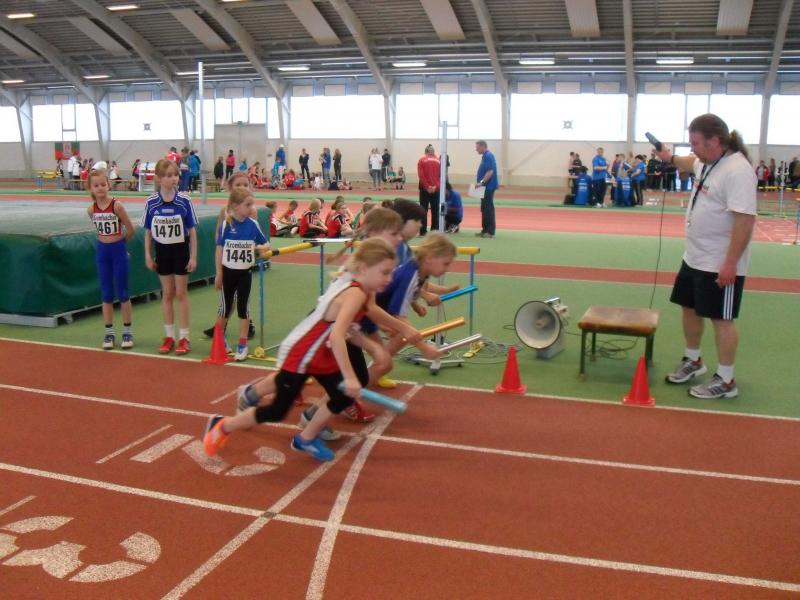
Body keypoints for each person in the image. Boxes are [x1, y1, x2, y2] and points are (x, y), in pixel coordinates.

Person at [203, 238, 399, 462]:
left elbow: (349, 332)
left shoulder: (361, 292)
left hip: (319, 355)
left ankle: (305, 438)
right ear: (364, 269)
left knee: (343, 396)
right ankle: (223, 425)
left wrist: (373, 348)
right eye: (385, 272)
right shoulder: (356, 294)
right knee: (277, 411)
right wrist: (350, 376)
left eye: (391, 273)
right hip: (302, 354)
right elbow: (336, 336)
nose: (389, 279)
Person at [657, 113, 757, 399]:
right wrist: (669, 157)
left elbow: (745, 221)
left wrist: (730, 263)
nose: (693, 149)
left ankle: (726, 380)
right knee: (688, 307)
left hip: (720, 261)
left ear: (715, 141)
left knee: (721, 319)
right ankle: (694, 360)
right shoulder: (707, 161)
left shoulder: (737, 170)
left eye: (696, 143)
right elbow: (689, 162)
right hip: (694, 257)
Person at [141, 159, 198, 355]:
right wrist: (148, 255)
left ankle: (184, 337)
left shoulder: (184, 201)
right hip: (162, 251)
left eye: (175, 175)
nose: (173, 178)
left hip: (180, 250)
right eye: (168, 175)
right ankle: (169, 336)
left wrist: (193, 256)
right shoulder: (151, 202)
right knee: (167, 294)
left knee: (181, 293)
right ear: (158, 178)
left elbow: (192, 231)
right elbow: (148, 232)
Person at [214, 188, 270, 361]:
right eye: (248, 205)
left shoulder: (252, 225)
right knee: (224, 308)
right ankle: (219, 339)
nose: (251, 208)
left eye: (252, 204)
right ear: (236, 206)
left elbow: (266, 243)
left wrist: (260, 248)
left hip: (245, 273)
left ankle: (242, 343)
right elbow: (219, 250)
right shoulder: (226, 225)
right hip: (228, 273)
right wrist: (219, 273)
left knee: (243, 308)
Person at [86, 169, 136, 350]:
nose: (100, 188)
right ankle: (109, 332)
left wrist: (121, 246)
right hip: (102, 252)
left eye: (103, 184)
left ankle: (127, 330)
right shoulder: (91, 210)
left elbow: (131, 229)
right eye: (96, 185)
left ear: (108, 185)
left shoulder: (117, 206)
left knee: (122, 292)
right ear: (91, 189)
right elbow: (99, 230)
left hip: (117, 250)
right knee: (106, 293)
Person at [474, 139, 498, 237]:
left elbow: (490, 171)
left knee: (488, 208)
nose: (476, 149)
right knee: (484, 208)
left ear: (483, 146)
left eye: (477, 147)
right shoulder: (485, 156)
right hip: (484, 187)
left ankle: (490, 231)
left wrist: (481, 182)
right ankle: (484, 230)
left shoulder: (488, 156)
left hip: (488, 187)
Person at [416, 144, 441, 235]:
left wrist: (427, 187)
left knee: (423, 210)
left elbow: (421, 175)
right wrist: (435, 187)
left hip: (424, 188)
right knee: (435, 210)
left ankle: (423, 231)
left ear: (425, 152)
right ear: (433, 151)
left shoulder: (421, 160)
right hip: (436, 189)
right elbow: (441, 176)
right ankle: (435, 230)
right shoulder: (439, 161)